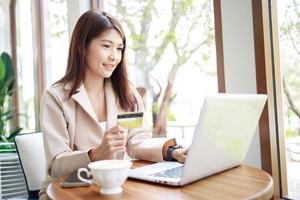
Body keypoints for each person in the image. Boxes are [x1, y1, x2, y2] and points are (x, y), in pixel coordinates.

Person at [39, 10, 187, 199]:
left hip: (116, 185)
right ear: (81, 46)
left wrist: (171, 152)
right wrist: (93, 155)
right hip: (69, 189)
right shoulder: (56, 97)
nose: (114, 56)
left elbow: (136, 142)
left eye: (119, 48)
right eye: (107, 46)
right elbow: (57, 165)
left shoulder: (126, 93)